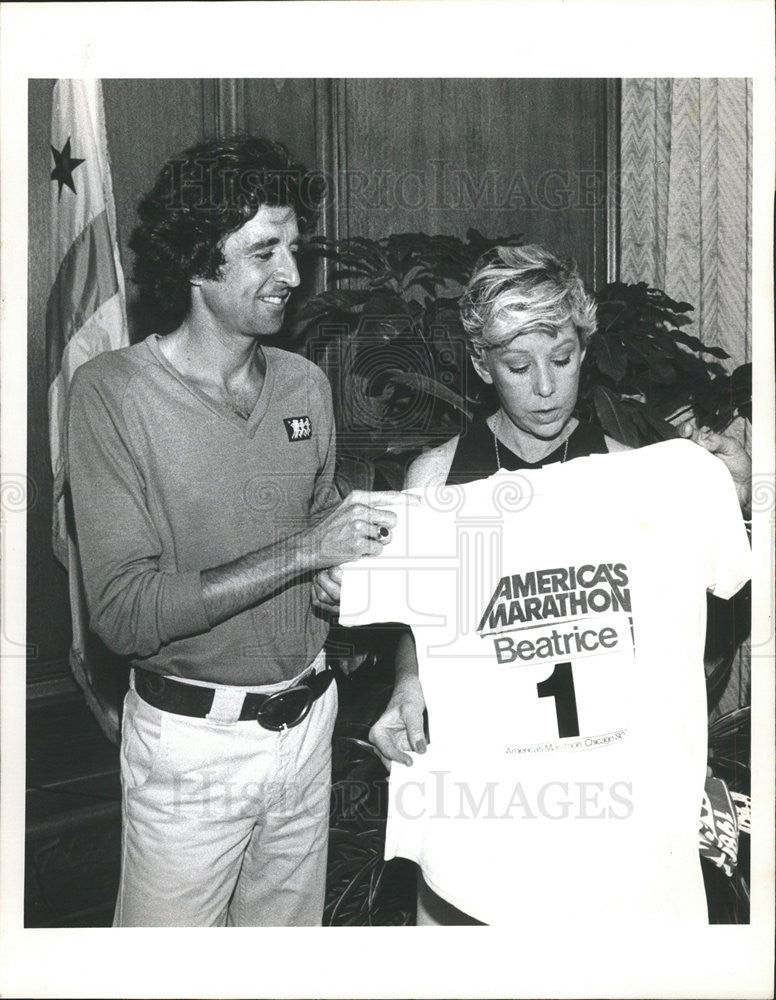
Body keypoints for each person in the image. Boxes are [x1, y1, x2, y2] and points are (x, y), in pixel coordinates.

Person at [313, 244, 752, 925]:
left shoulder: (638, 476)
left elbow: (702, 601)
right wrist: (409, 678)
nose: (546, 388)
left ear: (586, 348)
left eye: (564, 358)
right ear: (482, 366)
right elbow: (428, 621)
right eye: (518, 367)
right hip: (492, 797)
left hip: (609, 797)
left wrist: (737, 499)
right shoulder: (439, 477)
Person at [65, 135, 412, 927]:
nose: (291, 273)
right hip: (191, 750)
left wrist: (341, 575)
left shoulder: (304, 383)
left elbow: (324, 531)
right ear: (196, 260)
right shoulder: (112, 393)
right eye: (263, 252)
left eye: (293, 248)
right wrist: (304, 552)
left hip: (308, 724)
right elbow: (123, 613)